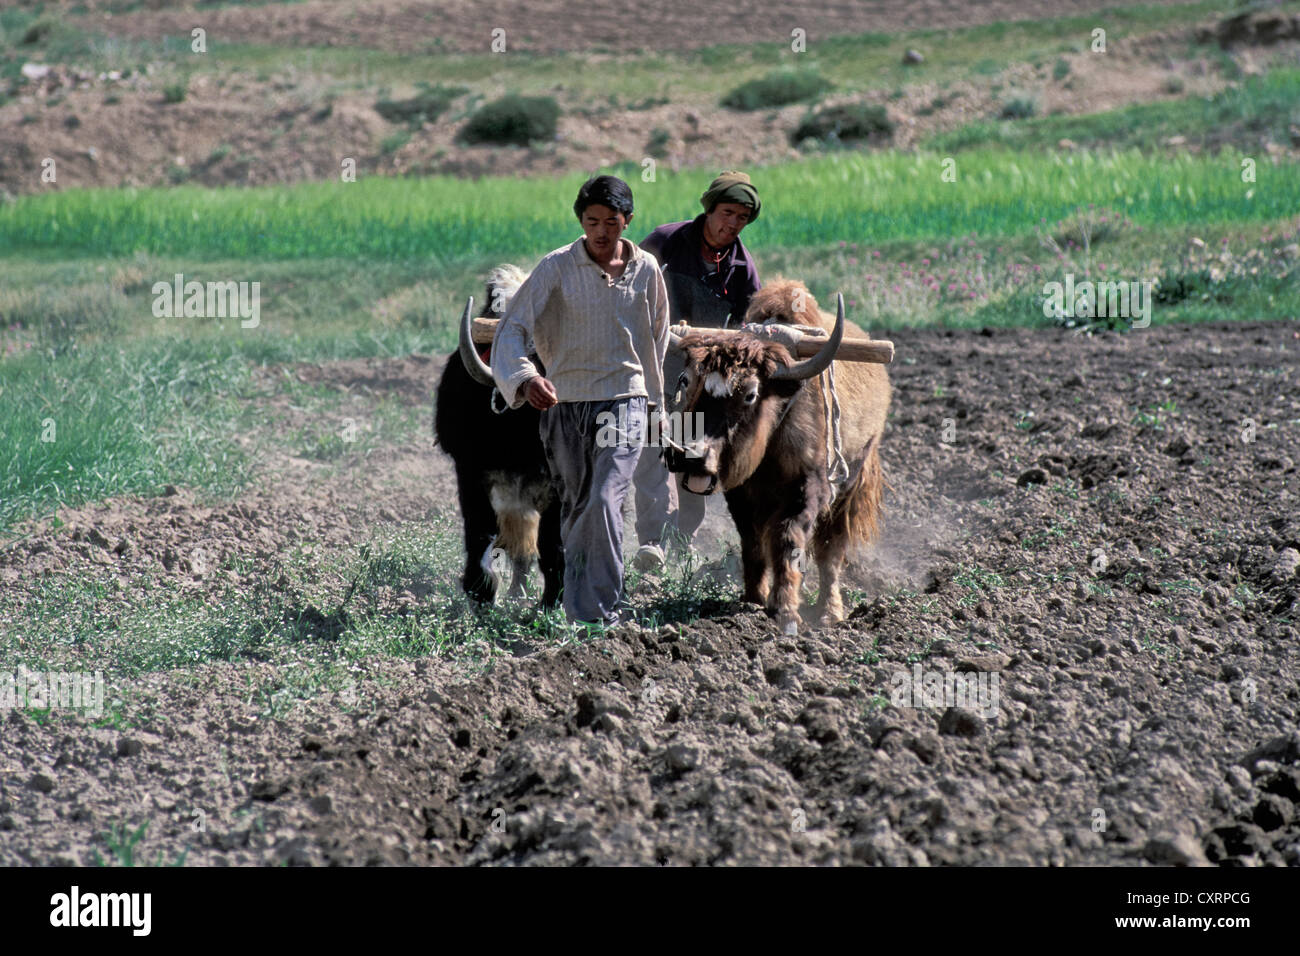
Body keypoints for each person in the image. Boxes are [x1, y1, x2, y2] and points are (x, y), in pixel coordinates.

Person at [491, 175, 670, 627]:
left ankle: (601, 612)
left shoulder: (646, 270)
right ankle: (578, 603)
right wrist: (526, 377)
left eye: (612, 221)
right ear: (581, 222)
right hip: (564, 405)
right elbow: (512, 328)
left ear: (627, 221)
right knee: (574, 508)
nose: (602, 231)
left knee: (605, 499)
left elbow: (658, 340)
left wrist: (654, 406)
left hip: (624, 401)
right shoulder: (555, 267)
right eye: (593, 221)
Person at [632, 170, 764, 571]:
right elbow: (627, 289)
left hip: (699, 383)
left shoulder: (741, 267)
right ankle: (651, 541)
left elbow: (749, 329)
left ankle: (680, 535)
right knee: (652, 455)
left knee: (694, 459)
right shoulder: (665, 242)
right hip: (651, 365)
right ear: (709, 208)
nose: (732, 224)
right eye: (727, 212)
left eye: (742, 218)